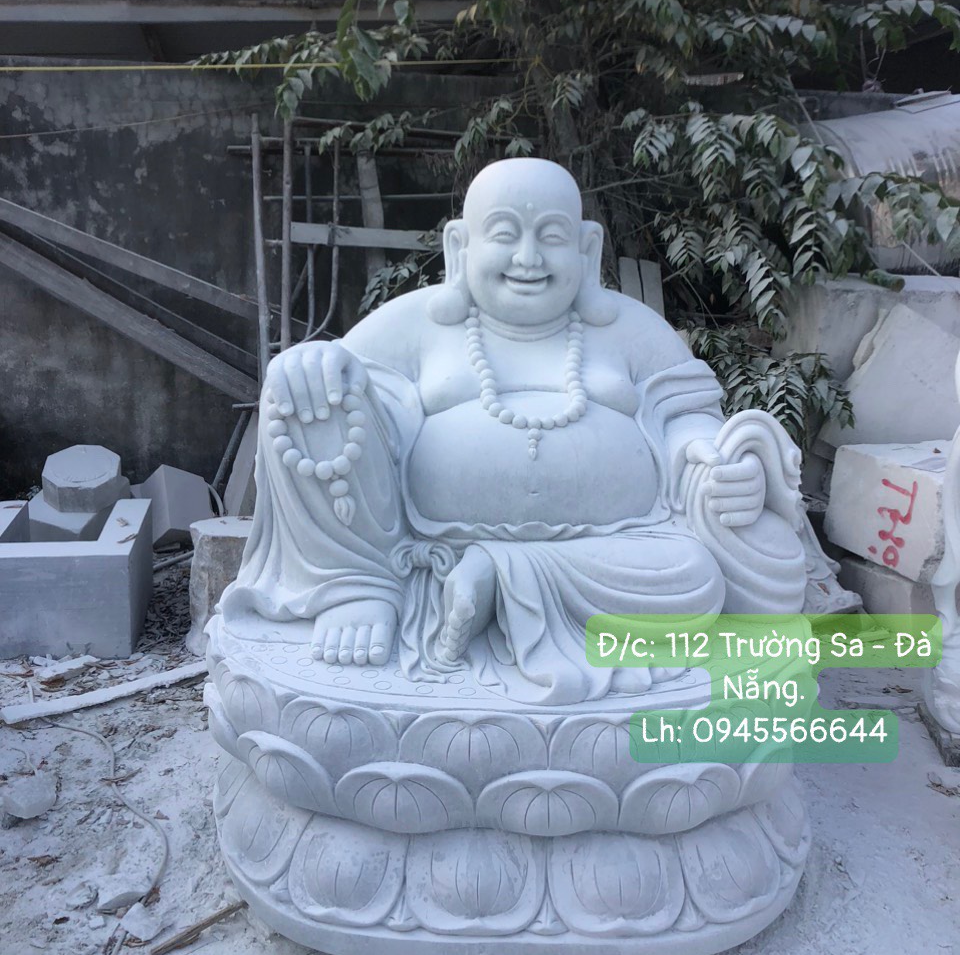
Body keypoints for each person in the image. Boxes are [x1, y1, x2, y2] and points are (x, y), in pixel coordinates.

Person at [221, 158, 805, 704]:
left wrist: (719, 465)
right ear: (460, 246)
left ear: (586, 248)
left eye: (551, 237)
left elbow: (687, 418)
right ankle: (357, 588)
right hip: (427, 549)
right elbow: (345, 393)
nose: (528, 258)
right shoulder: (413, 325)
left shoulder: (631, 330)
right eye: (504, 234)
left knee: (696, 580)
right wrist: (312, 364)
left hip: (614, 550)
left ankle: (500, 580)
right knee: (307, 388)